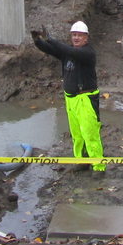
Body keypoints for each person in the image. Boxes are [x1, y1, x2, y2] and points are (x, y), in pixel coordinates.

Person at [31, 21, 105, 172]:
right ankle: (82, 161)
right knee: (77, 135)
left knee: (90, 134)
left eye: (79, 35)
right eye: (74, 35)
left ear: (86, 37)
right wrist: (38, 40)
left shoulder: (87, 53)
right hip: (71, 99)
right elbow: (51, 50)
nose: (76, 38)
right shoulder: (69, 52)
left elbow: (69, 51)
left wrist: (50, 38)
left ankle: (98, 166)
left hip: (86, 99)